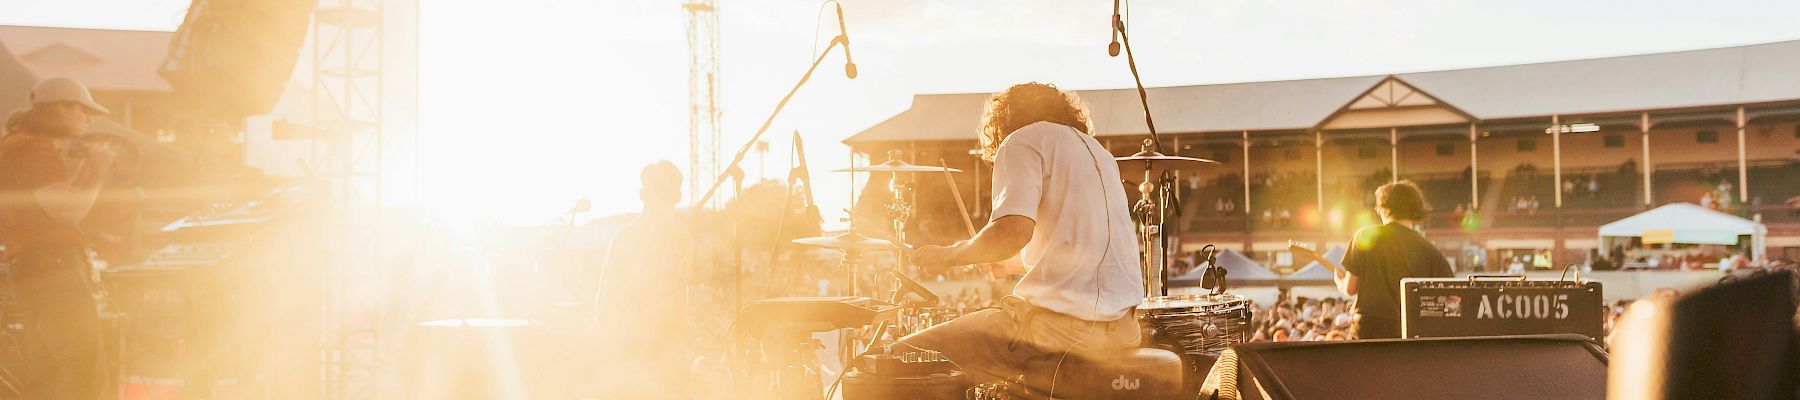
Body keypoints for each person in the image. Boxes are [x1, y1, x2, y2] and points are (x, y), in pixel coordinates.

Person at [904, 83, 1143, 384]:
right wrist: (1013, 265)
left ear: (1003, 120)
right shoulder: (1099, 153)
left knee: (906, 356)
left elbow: (1011, 233)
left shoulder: (1023, 140)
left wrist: (949, 256)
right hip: (1125, 330)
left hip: (1065, 330)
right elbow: (1082, 252)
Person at [1, 77, 115, 398]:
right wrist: (100, 169)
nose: (89, 119)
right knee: (83, 368)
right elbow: (68, 213)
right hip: (55, 268)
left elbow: (62, 204)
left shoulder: (19, 146)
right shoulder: (33, 150)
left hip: (33, 267)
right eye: (83, 111)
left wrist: (89, 169)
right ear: (61, 109)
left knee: (49, 372)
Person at [1293, 181, 1453, 339]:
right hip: (1409, 331)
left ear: (1385, 208)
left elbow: (1350, 289)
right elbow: (1449, 295)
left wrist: (1340, 283)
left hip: (1368, 328)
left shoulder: (1365, 236)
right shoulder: (1431, 251)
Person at [592, 161, 695, 396]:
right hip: (632, 349)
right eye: (658, 189)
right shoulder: (628, 239)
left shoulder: (680, 240)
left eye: (665, 190)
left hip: (667, 350)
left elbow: (677, 292)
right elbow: (608, 298)